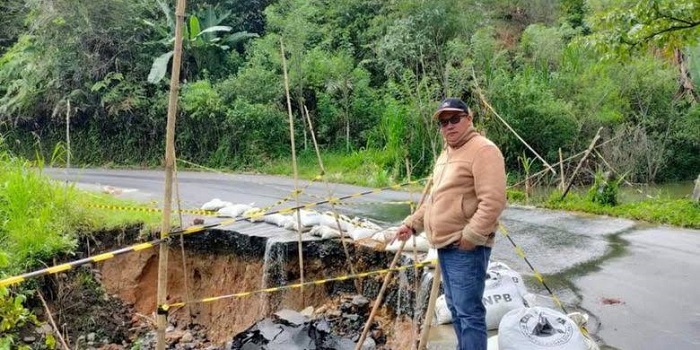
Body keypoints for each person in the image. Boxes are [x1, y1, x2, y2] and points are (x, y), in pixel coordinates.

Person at [396, 97, 506, 350]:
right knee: (457, 309)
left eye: (455, 119)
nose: (449, 126)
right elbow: (435, 200)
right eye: (443, 123)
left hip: (464, 247)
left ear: (469, 119)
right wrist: (412, 225)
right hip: (445, 245)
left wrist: (471, 237)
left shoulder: (483, 150)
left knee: (469, 313)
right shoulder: (447, 154)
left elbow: (493, 201)